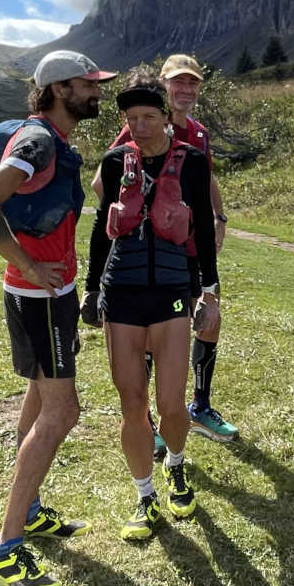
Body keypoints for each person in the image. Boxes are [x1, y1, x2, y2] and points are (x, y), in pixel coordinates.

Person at [0, 49, 114, 586]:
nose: (97, 92)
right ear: (57, 89)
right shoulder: (37, 141)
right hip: (39, 294)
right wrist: (26, 263)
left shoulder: (50, 138)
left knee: (38, 395)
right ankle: (4, 550)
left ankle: (26, 511)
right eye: (87, 84)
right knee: (63, 411)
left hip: (47, 293)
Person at [85, 75, 221, 541]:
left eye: (147, 117)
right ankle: (145, 497)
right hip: (120, 293)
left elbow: (202, 227)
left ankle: (177, 467)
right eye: (131, 119)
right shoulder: (113, 162)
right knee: (133, 405)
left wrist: (210, 289)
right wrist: (90, 289)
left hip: (172, 292)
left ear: (166, 117)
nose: (139, 127)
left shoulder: (193, 163)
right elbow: (102, 231)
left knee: (170, 403)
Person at [99, 54, 235, 444]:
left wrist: (218, 218)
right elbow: (104, 183)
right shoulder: (141, 127)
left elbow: (206, 178)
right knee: (147, 332)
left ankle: (200, 406)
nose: (186, 90)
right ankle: (149, 421)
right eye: (178, 83)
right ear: (163, 86)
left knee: (210, 318)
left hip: (192, 250)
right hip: (154, 256)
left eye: (193, 83)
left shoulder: (198, 132)